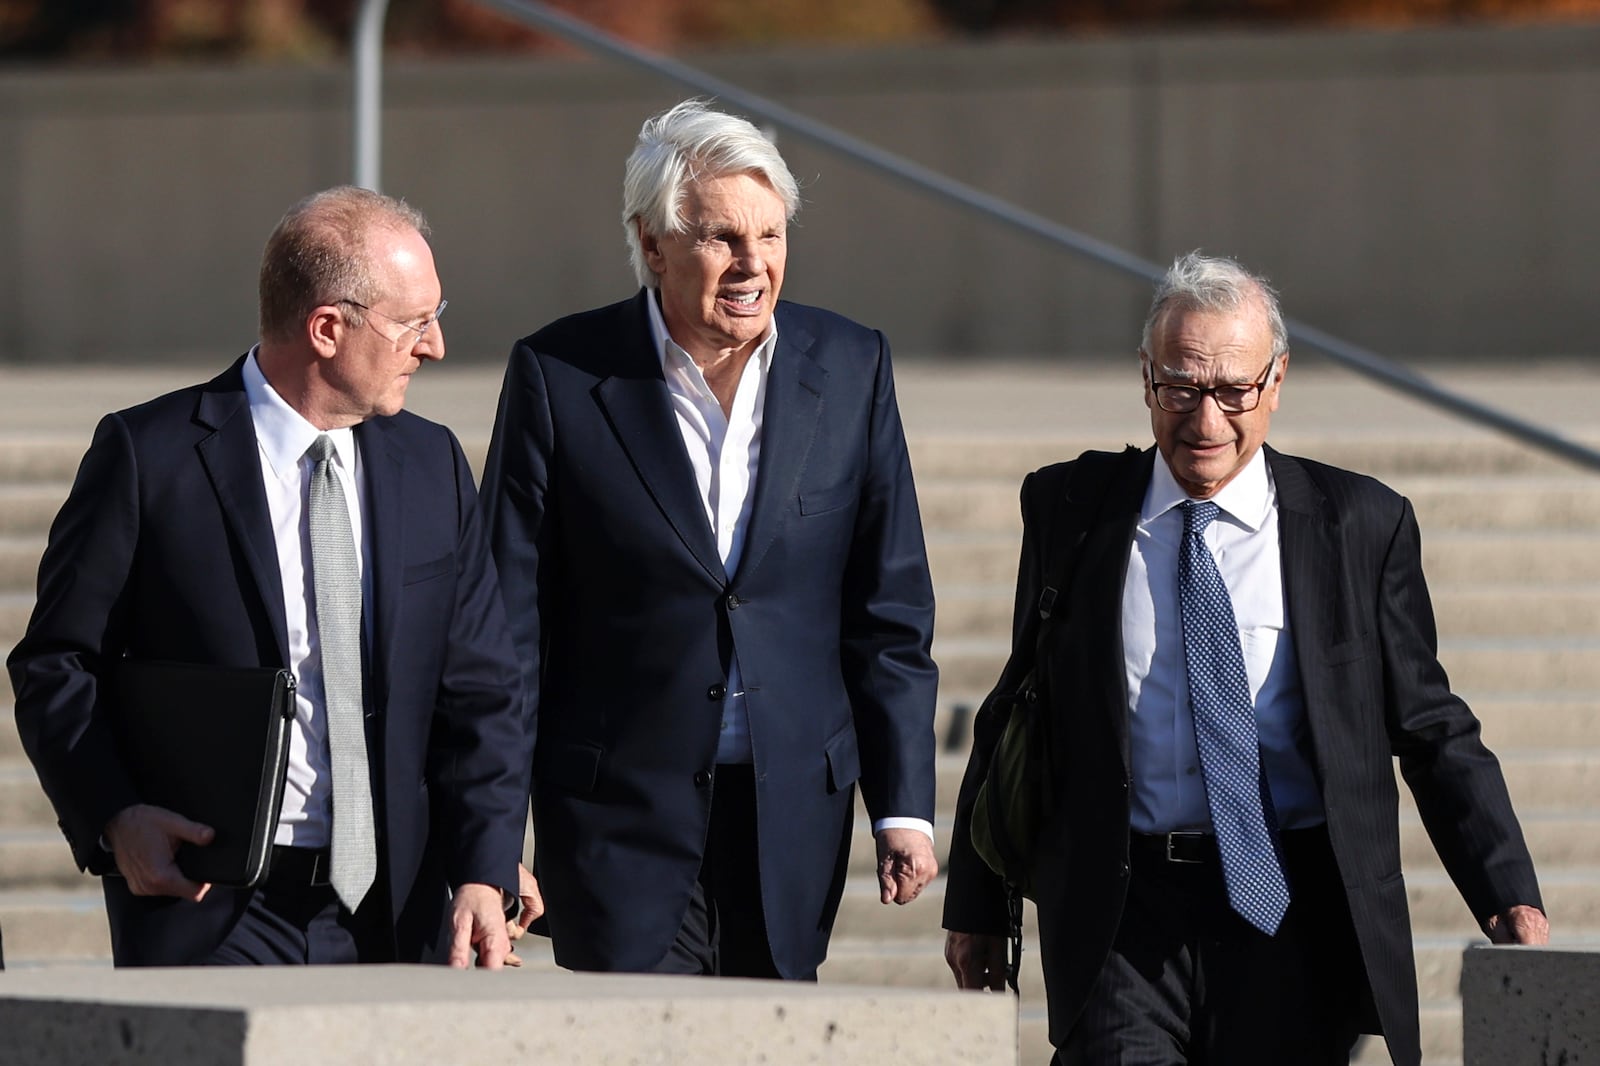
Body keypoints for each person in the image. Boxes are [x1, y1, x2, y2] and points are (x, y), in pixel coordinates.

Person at [942, 252, 1548, 1065]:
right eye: (1182, 389)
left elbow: (1433, 726)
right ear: (1146, 378)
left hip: (1293, 915)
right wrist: (981, 901)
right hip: (1124, 908)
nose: (1206, 420)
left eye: (1234, 391)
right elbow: (1019, 705)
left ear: (1277, 379)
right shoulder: (1070, 508)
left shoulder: (1357, 525)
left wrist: (1507, 894)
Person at [8, 186, 532, 969]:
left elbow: (483, 689)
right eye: (414, 323)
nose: (435, 347)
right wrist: (115, 815)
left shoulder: (433, 466)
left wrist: (485, 868)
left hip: (399, 917)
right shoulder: (150, 458)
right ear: (327, 328)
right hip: (212, 907)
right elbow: (56, 663)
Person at [481, 99, 940, 980]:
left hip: (793, 814)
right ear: (653, 243)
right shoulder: (560, 375)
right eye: (723, 237)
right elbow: (508, 629)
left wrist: (904, 807)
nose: (753, 264)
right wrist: (494, 833)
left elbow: (889, 608)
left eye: (771, 237)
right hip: (617, 820)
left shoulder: (851, 366)